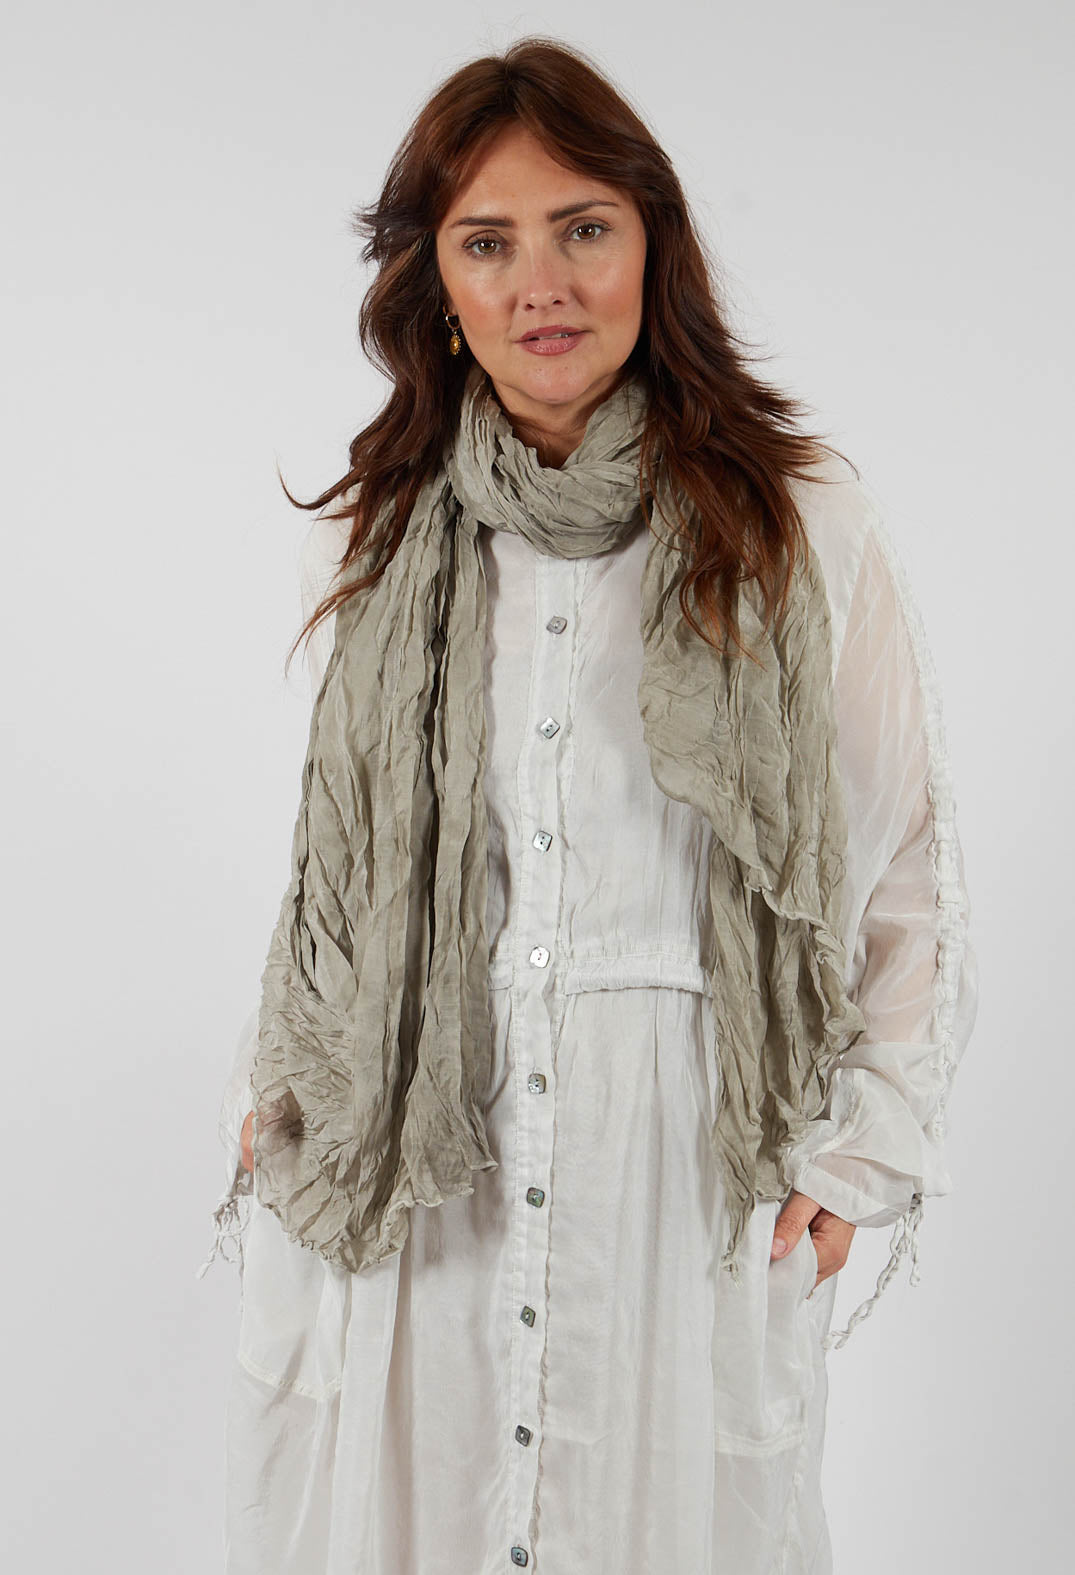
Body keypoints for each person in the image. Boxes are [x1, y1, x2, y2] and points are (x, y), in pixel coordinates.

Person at [203, 35, 978, 1575]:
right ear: (437, 281)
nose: (541, 283)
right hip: (425, 1186)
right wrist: (283, 1092)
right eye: (488, 242)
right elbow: (340, 887)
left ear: (651, 246)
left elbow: (904, 866)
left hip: (677, 1176)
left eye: (583, 229)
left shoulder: (798, 523)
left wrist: (855, 1158)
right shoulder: (374, 543)